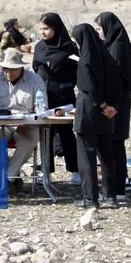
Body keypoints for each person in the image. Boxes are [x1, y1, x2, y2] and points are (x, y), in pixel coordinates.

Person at [0, 47, 47, 194]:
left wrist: (29, 122)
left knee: (29, 141)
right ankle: (13, 173)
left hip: (27, 125)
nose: (8, 72)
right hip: (1, 123)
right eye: (5, 69)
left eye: (12, 69)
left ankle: (7, 179)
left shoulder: (35, 80)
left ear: (21, 67)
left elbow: (41, 108)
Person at [71, 23, 120, 208]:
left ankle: (90, 198)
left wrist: (102, 104)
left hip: (88, 112)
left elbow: (89, 86)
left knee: (86, 157)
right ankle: (110, 196)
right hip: (106, 115)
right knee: (107, 156)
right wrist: (111, 107)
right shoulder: (106, 56)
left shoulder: (85, 59)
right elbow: (116, 84)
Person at [94, 12, 131, 197]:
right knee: (114, 144)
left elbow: (113, 78)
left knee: (114, 143)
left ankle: (118, 185)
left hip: (116, 102)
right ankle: (118, 185)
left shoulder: (117, 48)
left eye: (99, 29)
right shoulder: (113, 45)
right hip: (116, 101)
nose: (98, 33)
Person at [32, 13, 80, 185]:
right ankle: (46, 171)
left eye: (46, 29)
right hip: (43, 98)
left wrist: (64, 85)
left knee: (66, 134)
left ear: (55, 28)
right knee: (45, 134)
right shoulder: (39, 47)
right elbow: (36, 68)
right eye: (41, 29)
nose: (42, 32)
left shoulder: (69, 48)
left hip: (64, 97)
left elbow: (77, 72)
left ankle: (75, 170)